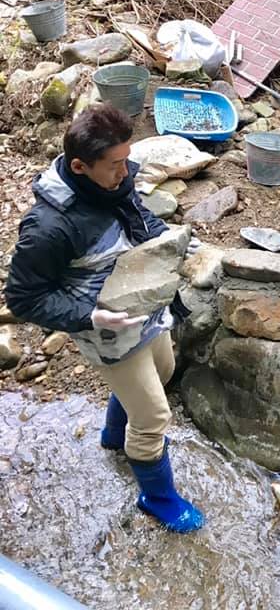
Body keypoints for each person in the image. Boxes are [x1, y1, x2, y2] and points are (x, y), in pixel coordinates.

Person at [5, 103, 204, 533]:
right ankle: (157, 497)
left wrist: (167, 239)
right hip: (104, 328)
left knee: (163, 369)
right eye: (115, 165)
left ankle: (115, 435)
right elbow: (24, 298)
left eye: (126, 160)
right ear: (79, 166)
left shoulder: (113, 180)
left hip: (144, 305)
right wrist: (91, 316)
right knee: (152, 418)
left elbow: (137, 216)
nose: (126, 172)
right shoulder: (48, 228)